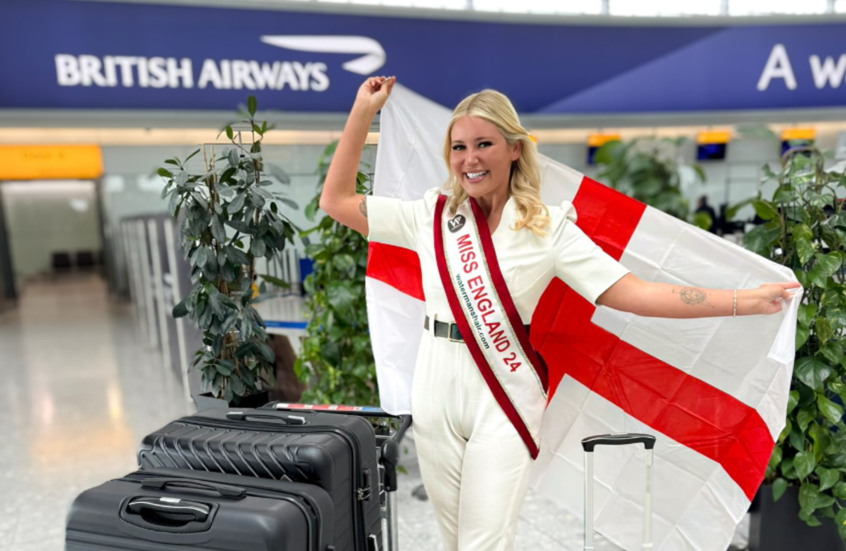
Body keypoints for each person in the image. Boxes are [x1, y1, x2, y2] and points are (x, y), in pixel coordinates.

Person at [320, 76, 799, 551]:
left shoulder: (548, 227)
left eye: (484, 144)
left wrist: (742, 301)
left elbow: (634, 293)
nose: (469, 159)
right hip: (435, 383)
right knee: (452, 542)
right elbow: (335, 201)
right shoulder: (433, 215)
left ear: (514, 149)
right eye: (459, 147)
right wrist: (364, 111)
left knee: (483, 543)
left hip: (504, 393)